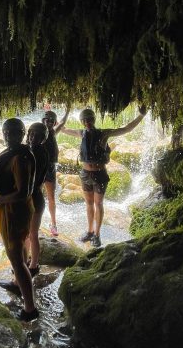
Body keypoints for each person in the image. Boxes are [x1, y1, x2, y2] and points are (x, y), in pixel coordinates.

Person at [61, 105, 147, 247]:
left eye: (89, 119)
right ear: (82, 121)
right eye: (84, 119)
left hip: (99, 174)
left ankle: (97, 234)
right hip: (85, 174)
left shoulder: (104, 134)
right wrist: (65, 114)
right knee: (88, 204)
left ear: (94, 120)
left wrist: (141, 116)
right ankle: (89, 232)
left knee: (98, 203)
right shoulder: (80, 133)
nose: (87, 121)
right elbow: (62, 129)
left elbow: (126, 129)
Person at [0, 118, 39, 321]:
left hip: (15, 211)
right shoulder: (20, 152)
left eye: (15, 132)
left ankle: (30, 309)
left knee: (16, 260)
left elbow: (23, 192)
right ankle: (18, 284)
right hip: (14, 210)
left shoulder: (20, 158)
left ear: (23, 133)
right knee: (19, 251)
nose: (9, 135)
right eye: (6, 132)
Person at [41, 106, 70, 236]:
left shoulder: (53, 132)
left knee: (51, 197)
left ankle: (53, 224)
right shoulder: (38, 133)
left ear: (54, 122)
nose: (49, 123)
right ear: (43, 121)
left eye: (52, 121)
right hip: (39, 168)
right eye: (47, 120)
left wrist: (67, 111)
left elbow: (63, 122)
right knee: (35, 195)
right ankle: (32, 220)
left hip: (51, 169)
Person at [25, 122, 49, 277]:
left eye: (37, 135)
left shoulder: (35, 152)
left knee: (32, 233)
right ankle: (28, 261)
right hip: (36, 197)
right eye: (31, 133)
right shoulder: (40, 151)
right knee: (29, 233)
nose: (33, 137)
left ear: (43, 137)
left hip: (34, 197)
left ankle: (33, 266)